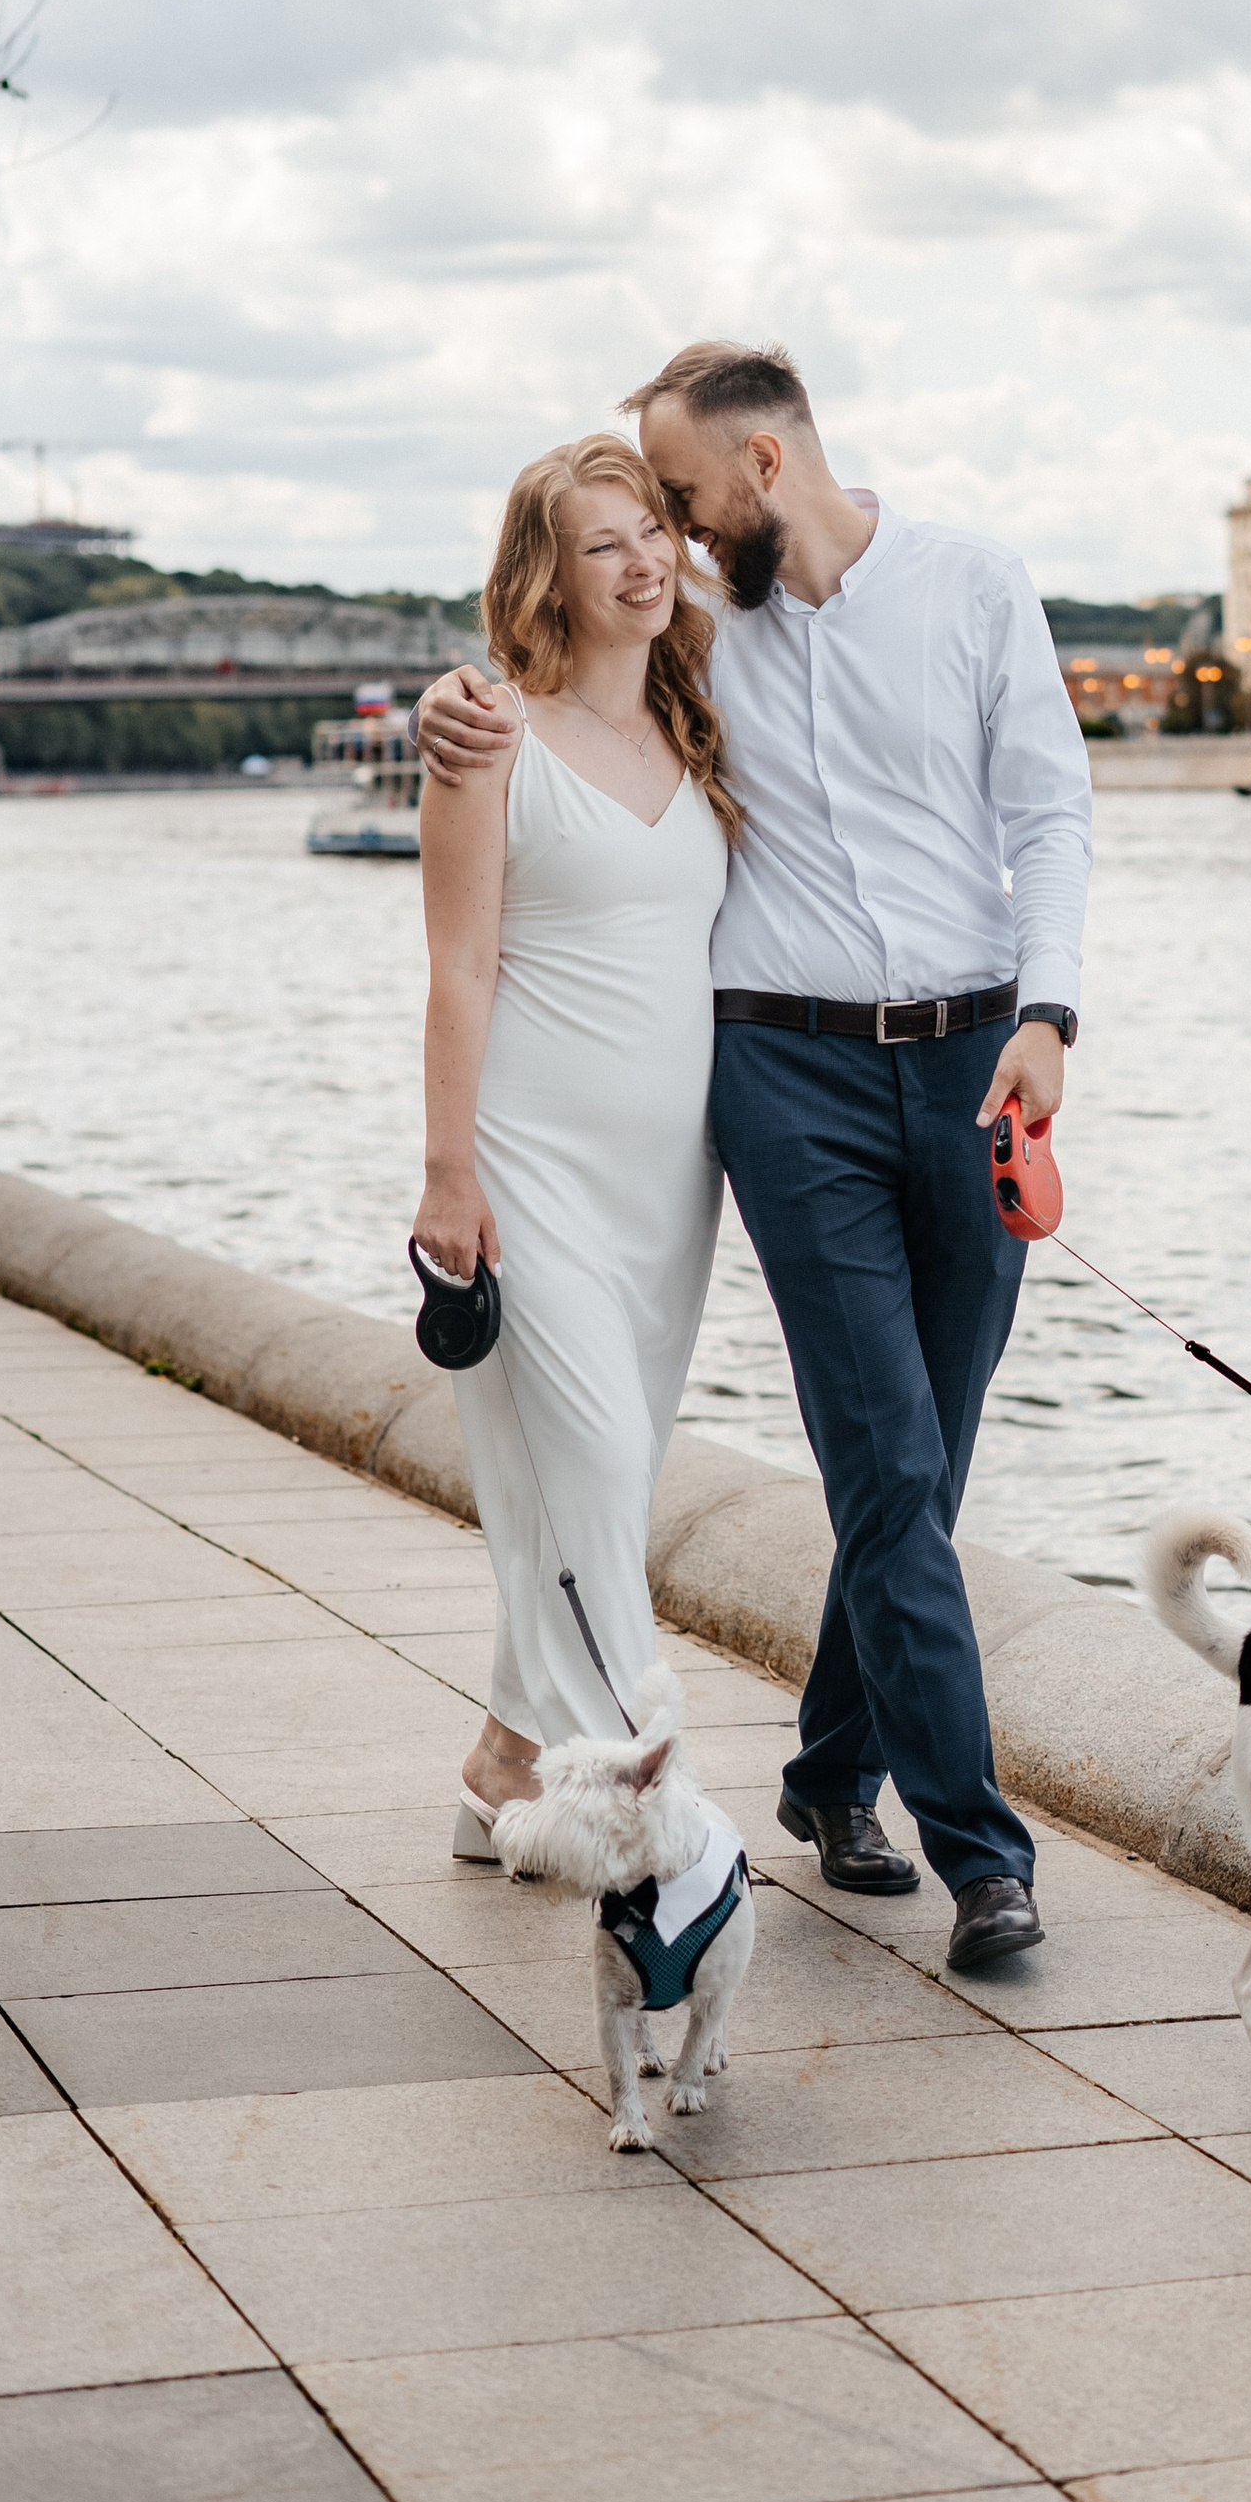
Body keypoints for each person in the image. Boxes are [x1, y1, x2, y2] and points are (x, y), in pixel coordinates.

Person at [419, 342, 1089, 1973]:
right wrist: (455, 691)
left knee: (926, 1457)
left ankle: (814, 1772)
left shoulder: (945, 595)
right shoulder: (664, 655)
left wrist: (1051, 1017)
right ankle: (955, 1856)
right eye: (642, 527)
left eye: (687, 506)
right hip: (776, 1085)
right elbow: (518, 759)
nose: (677, 545)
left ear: (765, 469)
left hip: (958, 1066)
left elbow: (1052, 812)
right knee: (871, 1460)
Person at [414, 431, 736, 1855]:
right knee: (593, 1472)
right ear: (547, 573)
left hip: (673, 1185)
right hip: (530, 1164)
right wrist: (447, 1174)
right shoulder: (487, 737)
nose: (643, 560)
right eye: (603, 542)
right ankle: (644, 1817)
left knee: (598, 1483)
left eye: (653, 530)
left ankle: (504, 1767)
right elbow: (459, 971)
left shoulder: (699, 722)